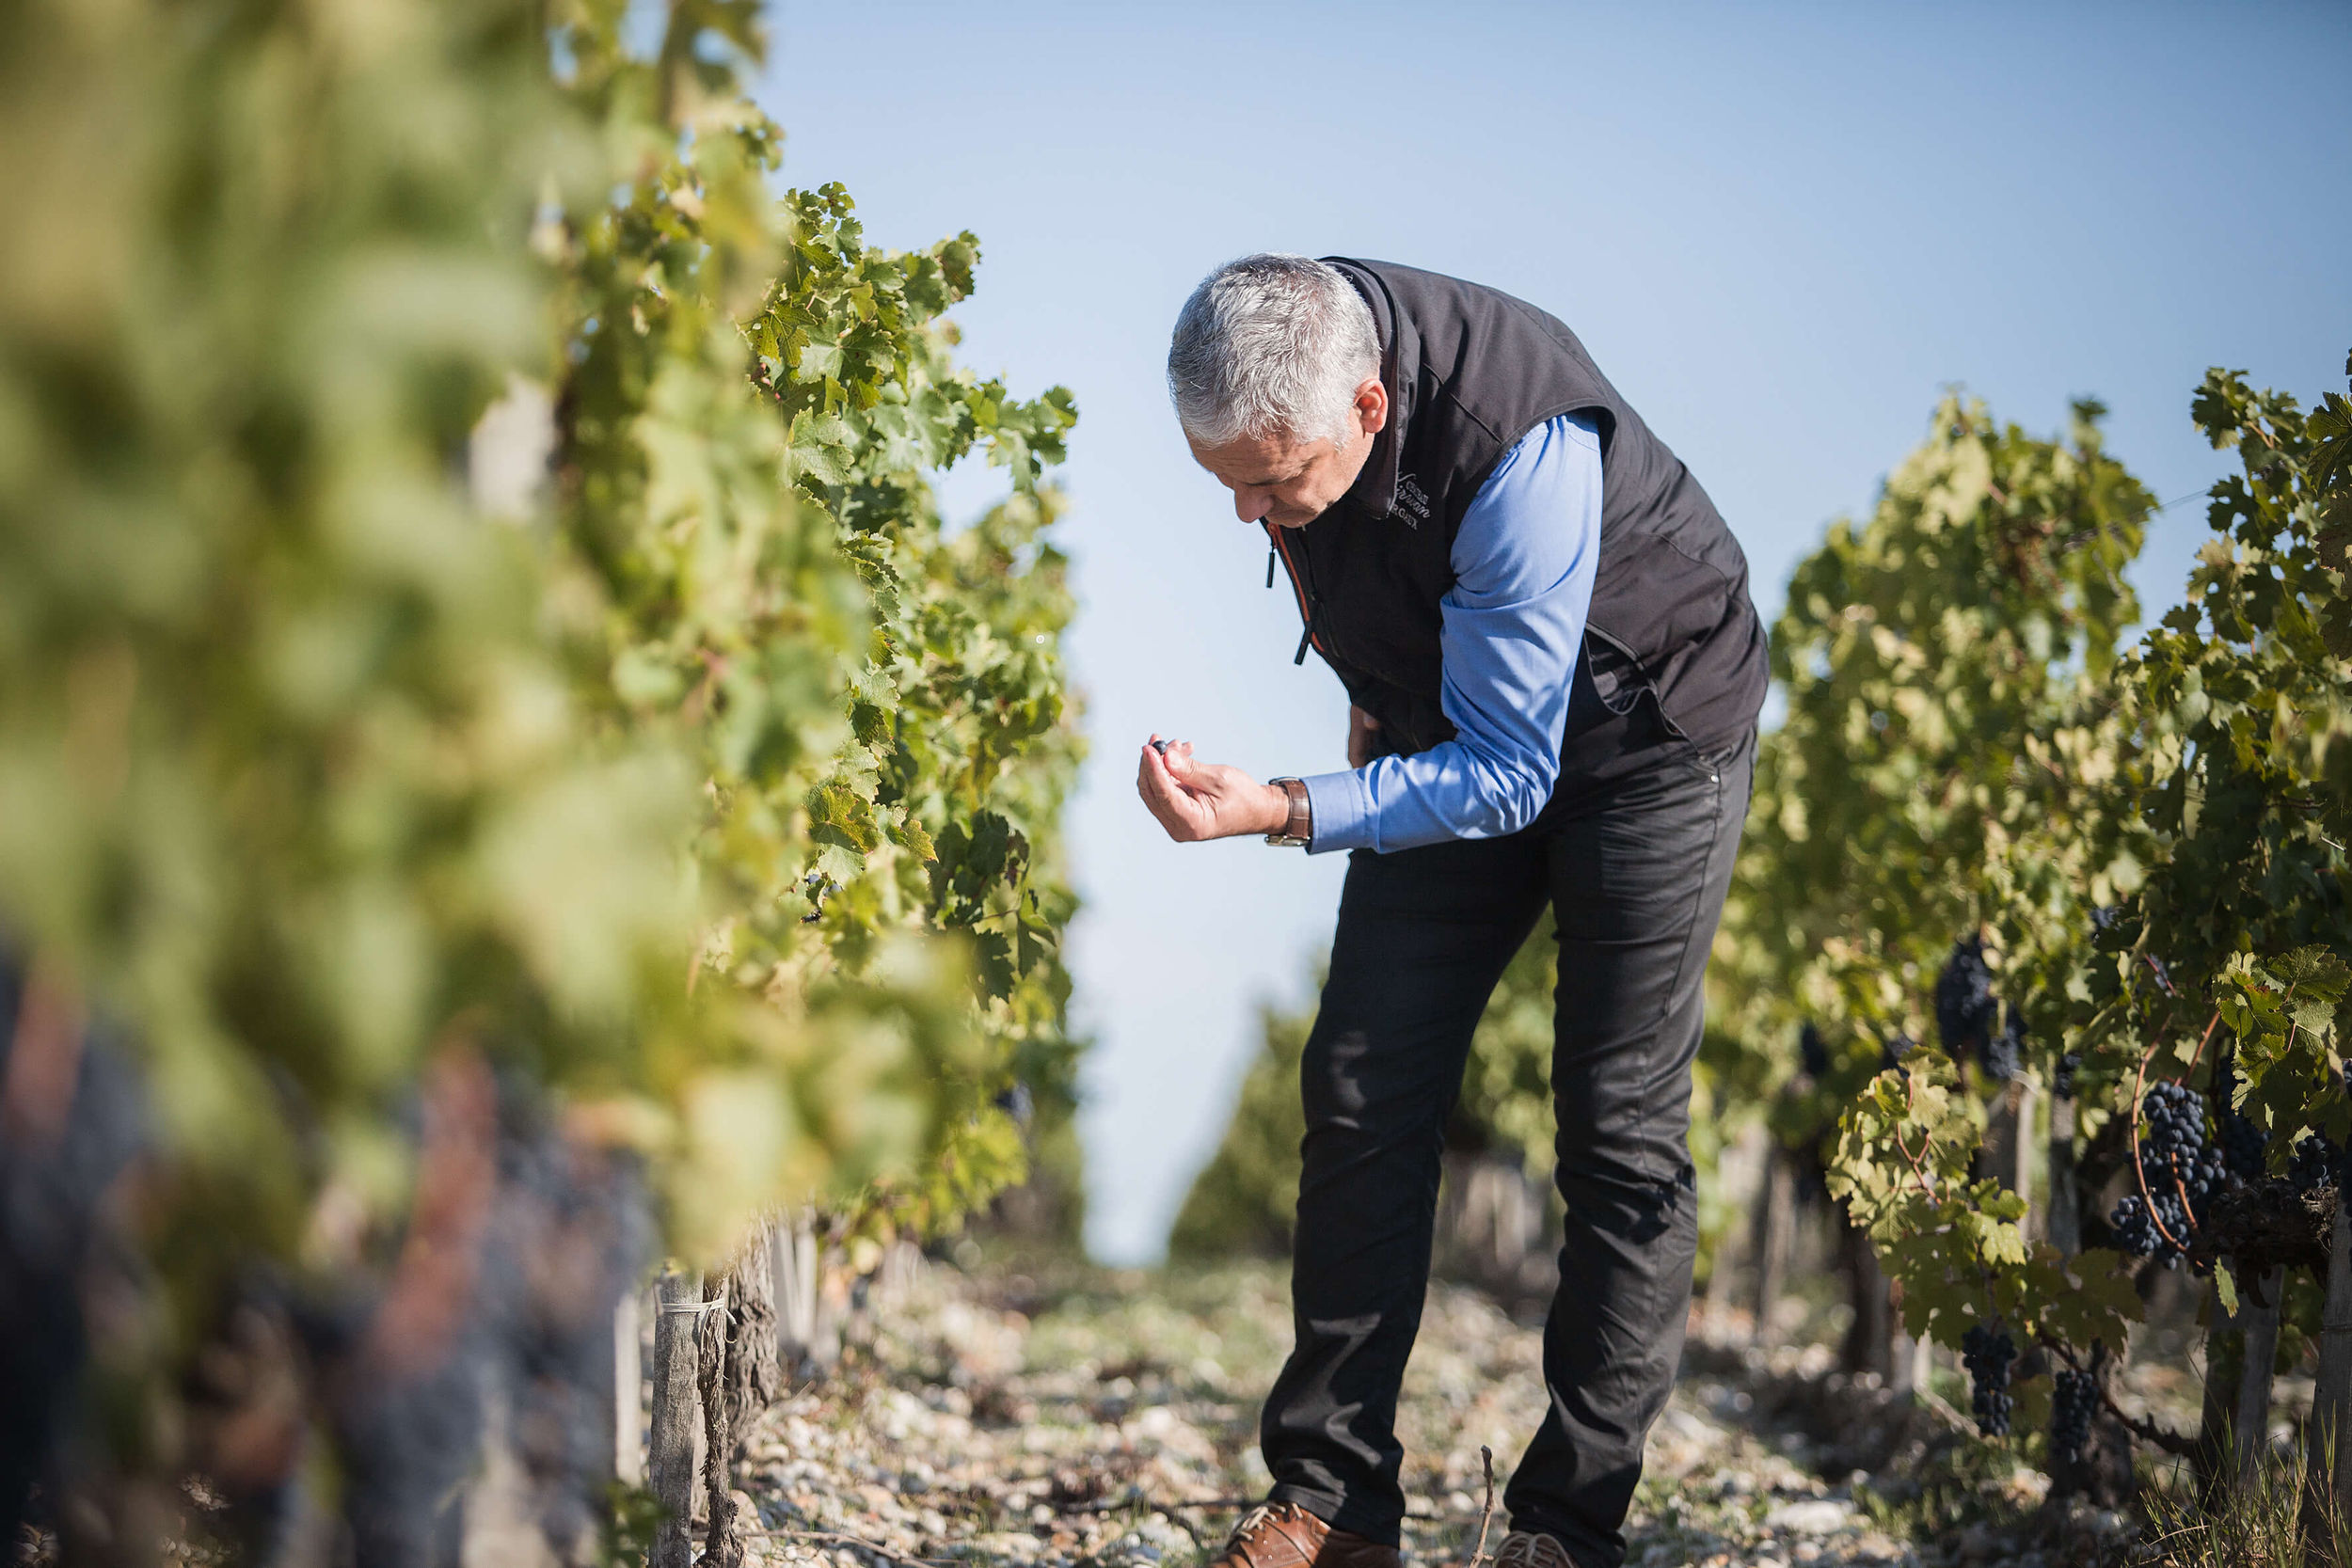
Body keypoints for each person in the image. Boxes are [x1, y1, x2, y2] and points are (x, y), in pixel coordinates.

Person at [1136, 255, 1768, 1568]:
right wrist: (1368, 695)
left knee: (1616, 1128)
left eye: (1270, 481)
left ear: (1368, 411)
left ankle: (1565, 1529)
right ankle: (1334, 1503)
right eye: (1226, 481)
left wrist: (1287, 808)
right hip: (1455, 734)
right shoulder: (1295, 373)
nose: (1249, 515)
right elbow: (1403, 624)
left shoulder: (1517, 452)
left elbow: (1507, 775)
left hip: (1648, 737)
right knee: (1362, 1081)